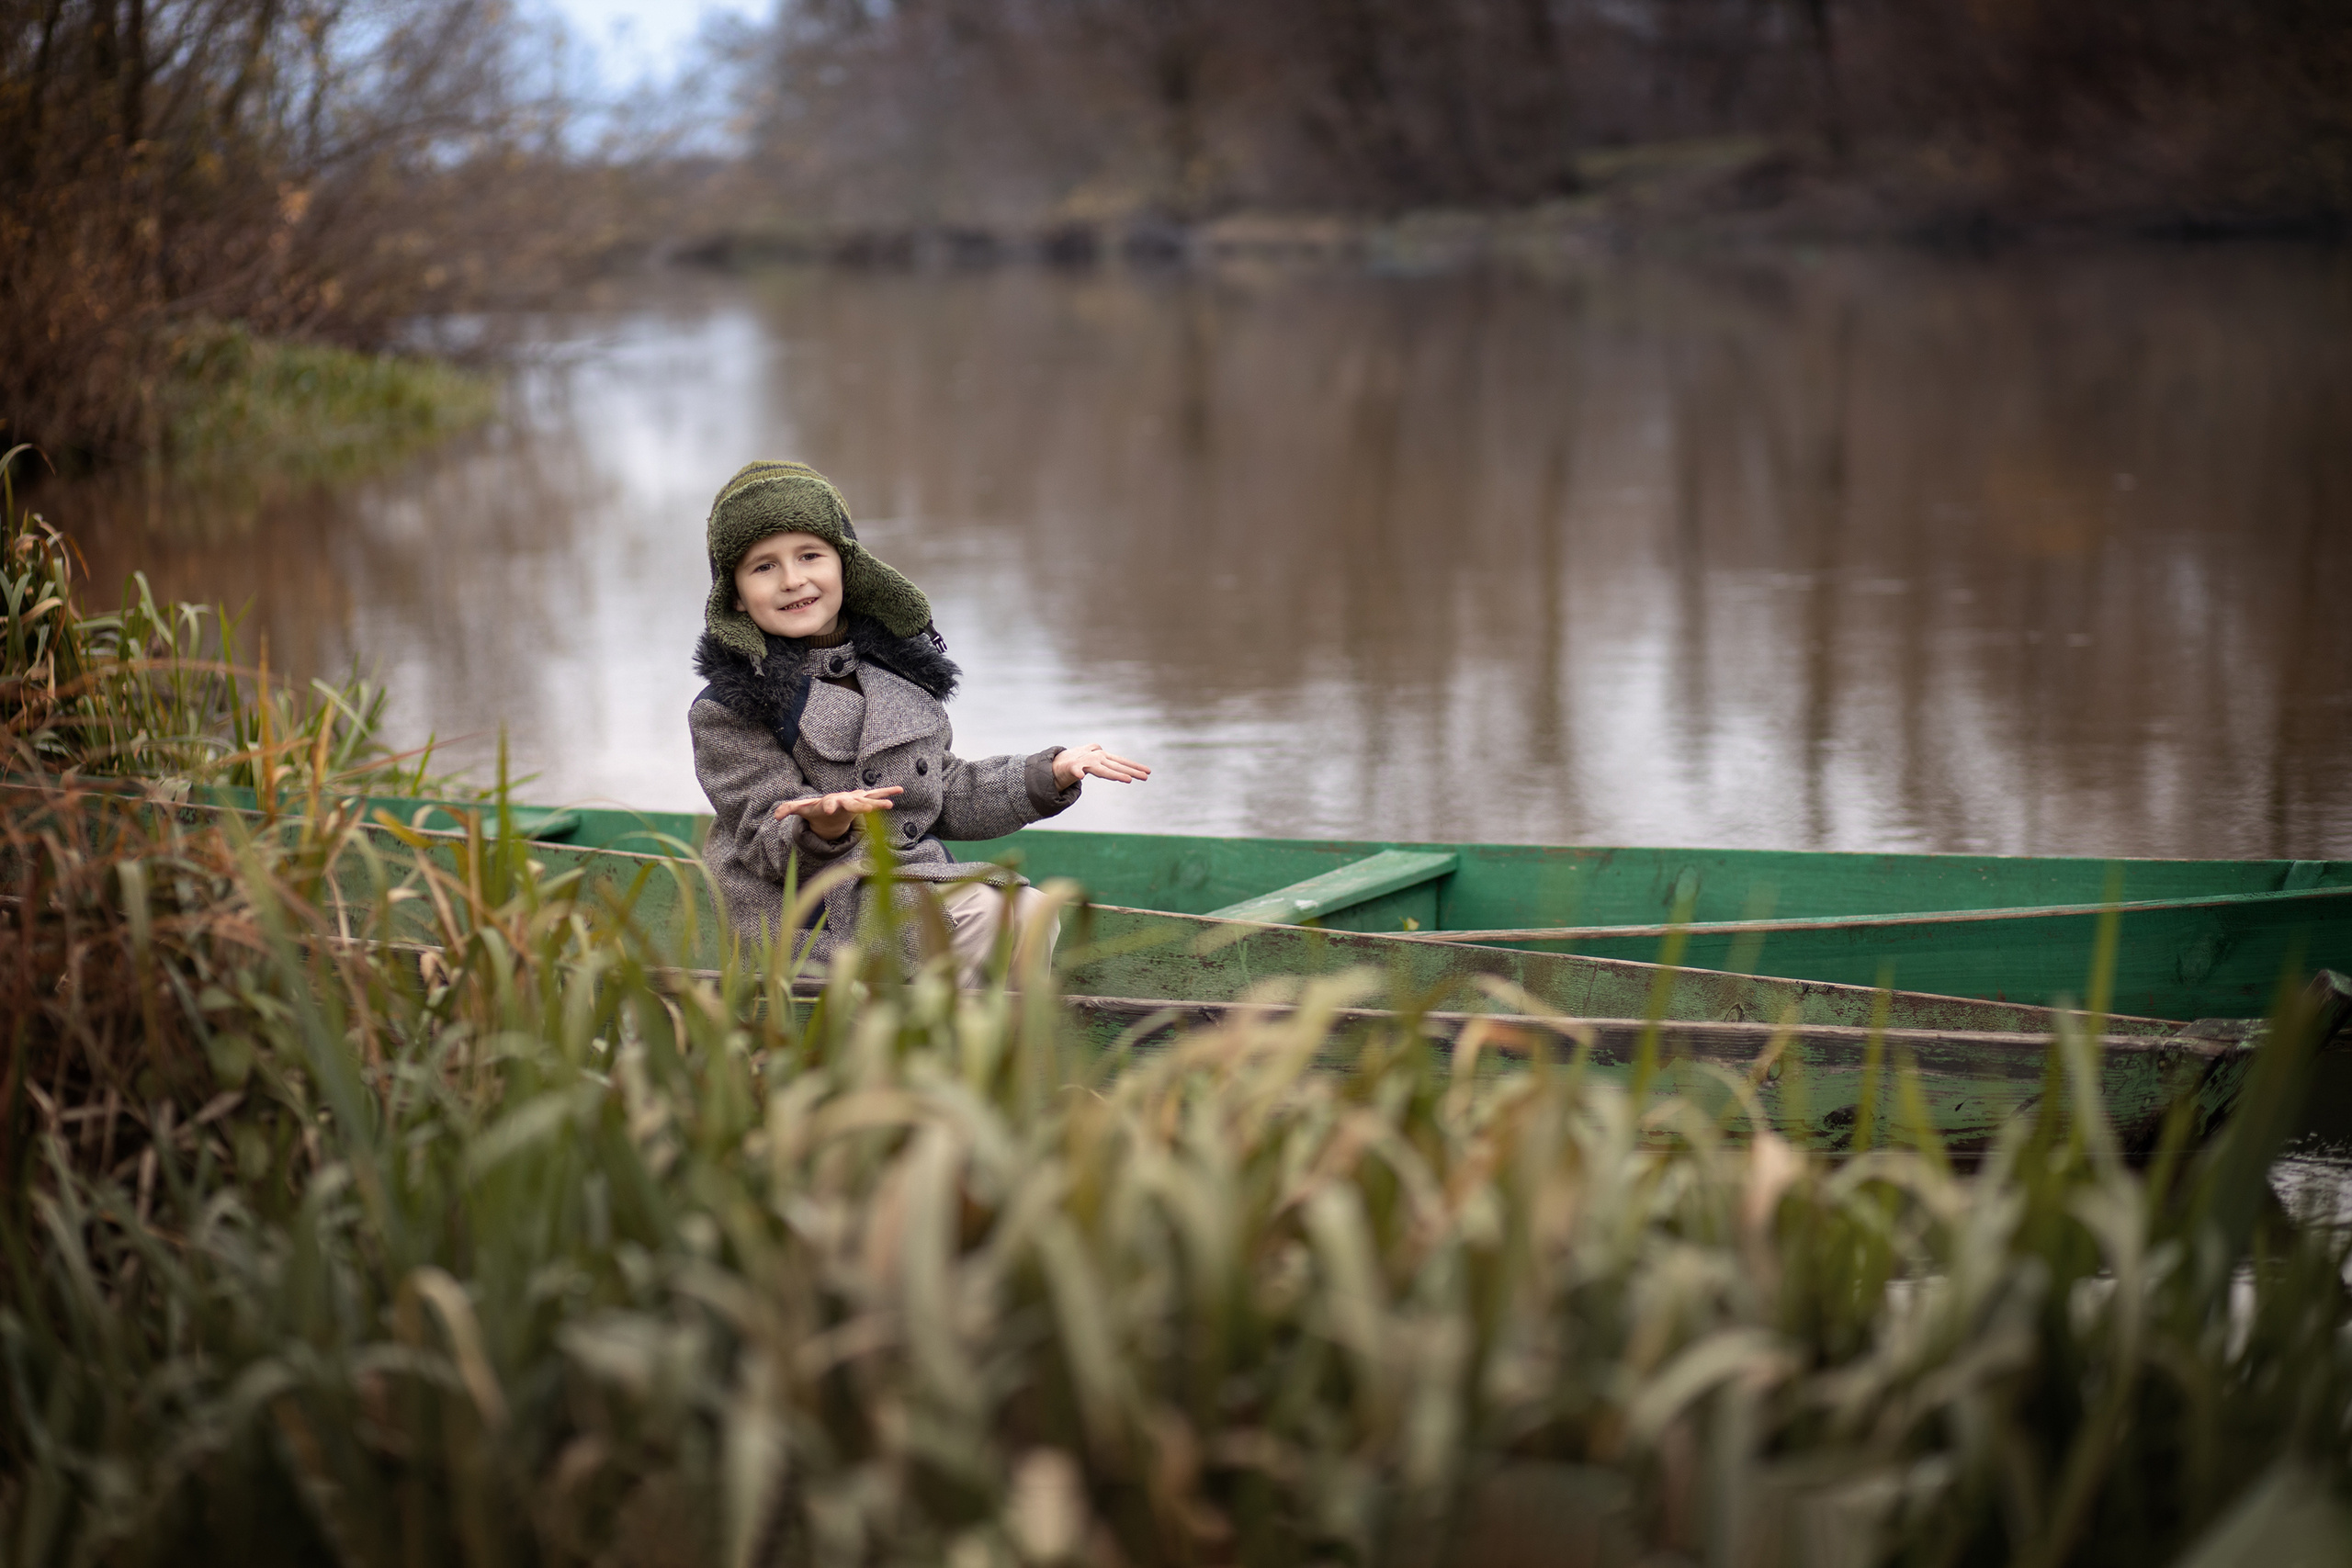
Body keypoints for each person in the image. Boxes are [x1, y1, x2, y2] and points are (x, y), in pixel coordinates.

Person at [689, 460, 1148, 985]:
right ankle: (939, 1056)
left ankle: (1002, 1058)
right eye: (763, 567)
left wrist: (1049, 773)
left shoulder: (896, 678)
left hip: (907, 885)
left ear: (846, 566)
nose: (793, 580)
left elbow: (944, 793)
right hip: (813, 917)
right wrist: (822, 824)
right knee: (982, 917)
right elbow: (762, 836)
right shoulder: (730, 709)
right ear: (737, 599)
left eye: (810, 555)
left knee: (1031, 913)